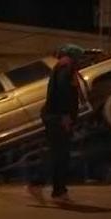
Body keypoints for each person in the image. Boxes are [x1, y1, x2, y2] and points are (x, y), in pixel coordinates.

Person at [27, 44, 85, 205]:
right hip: (58, 117)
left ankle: (59, 191)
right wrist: (65, 116)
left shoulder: (64, 68)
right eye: (79, 58)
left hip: (57, 116)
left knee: (61, 155)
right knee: (58, 155)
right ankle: (37, 184)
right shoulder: (65, 68)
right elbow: (62, 92)